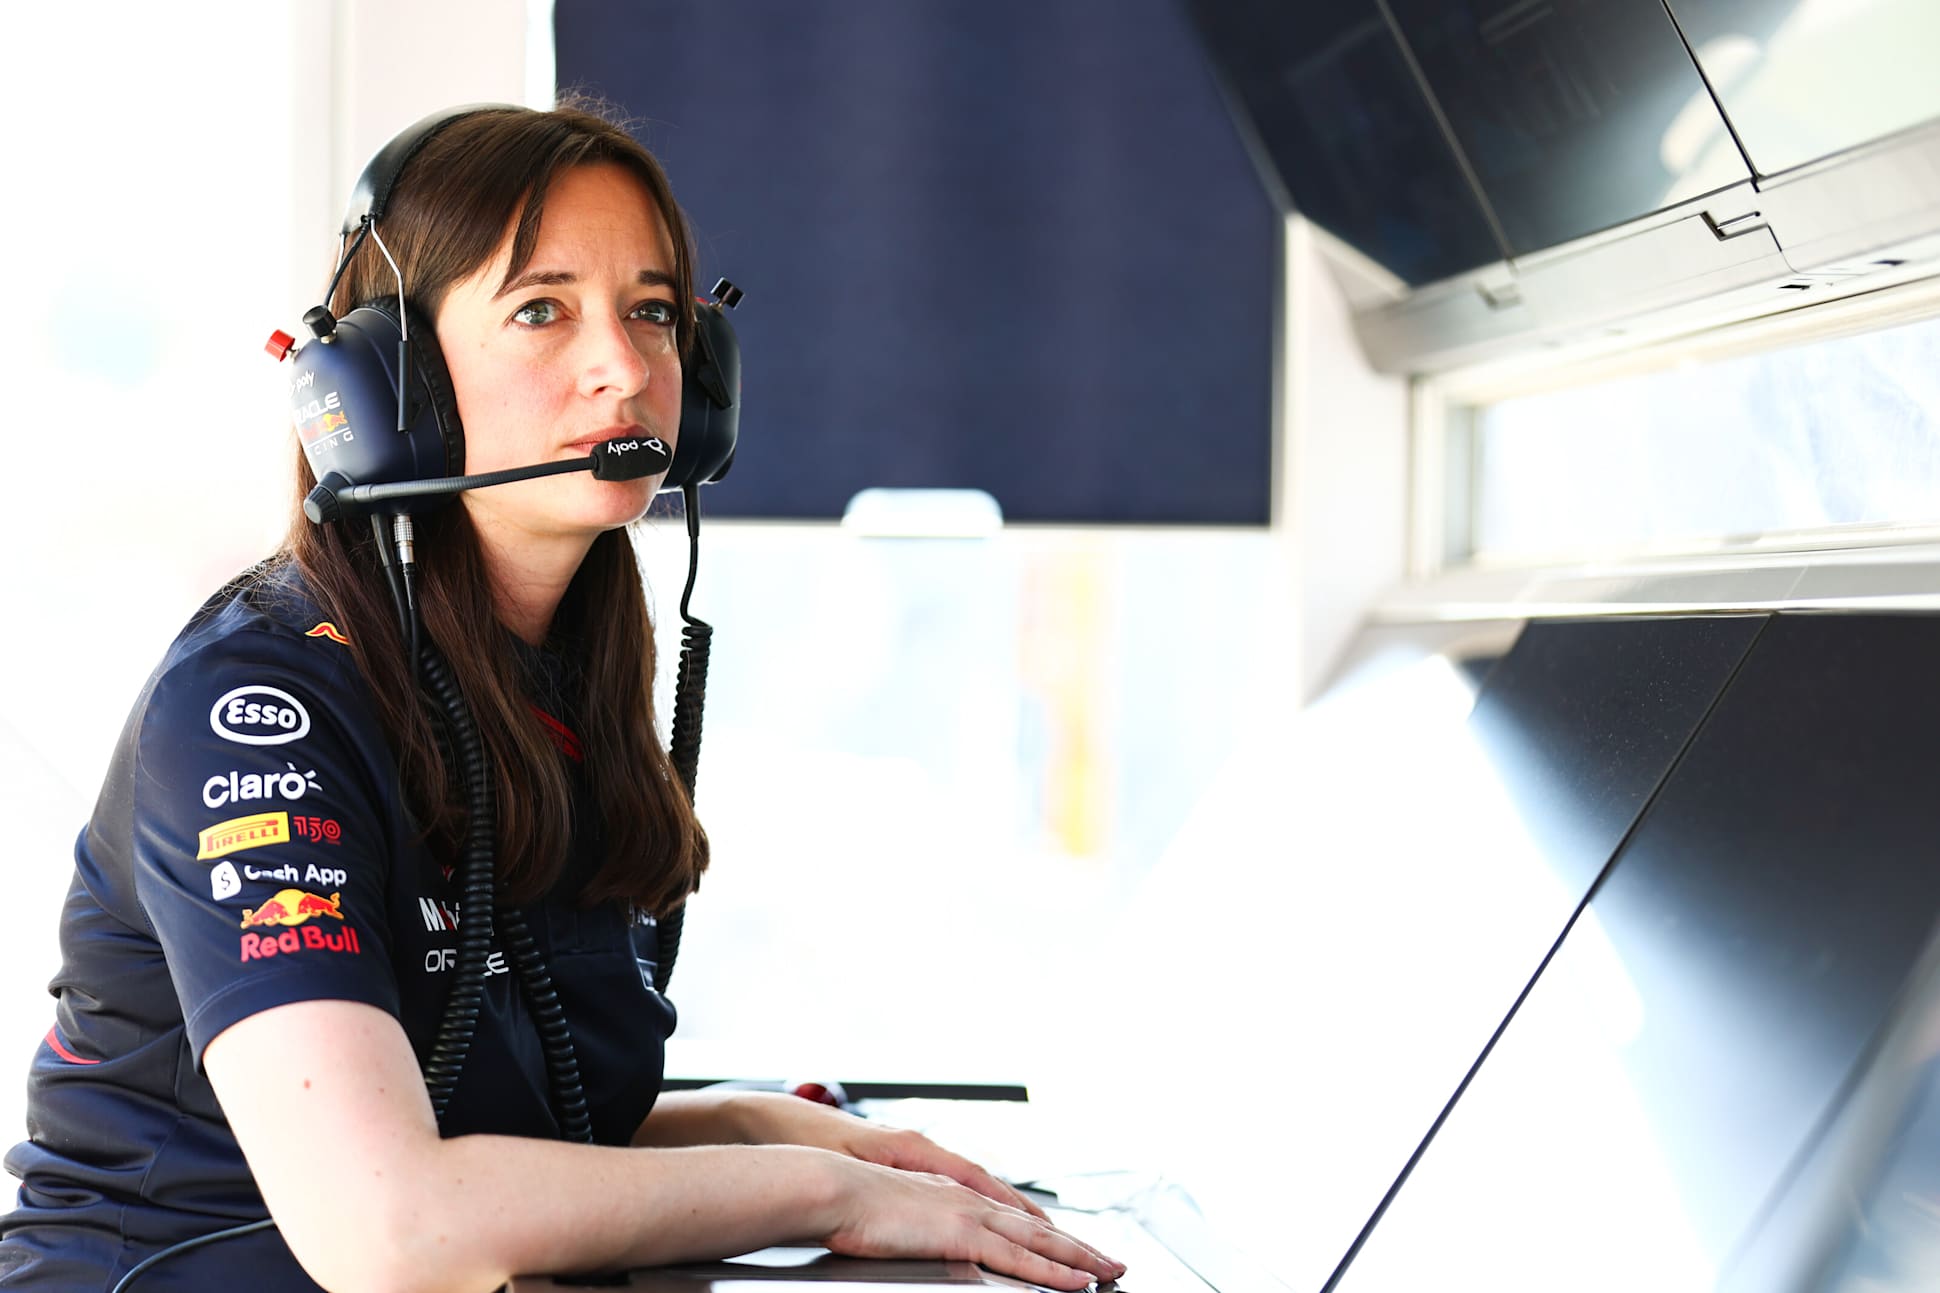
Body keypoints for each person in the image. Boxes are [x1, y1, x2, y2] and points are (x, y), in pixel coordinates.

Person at [0, 102, 1125, 1292]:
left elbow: (521, 1129)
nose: (627, 367)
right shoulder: (254, 704)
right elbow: (390, 1226)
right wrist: (823, 1193)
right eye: (543, 310)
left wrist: (783, 1131)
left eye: (651, 313)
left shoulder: (549, 677)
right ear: (393, 385)